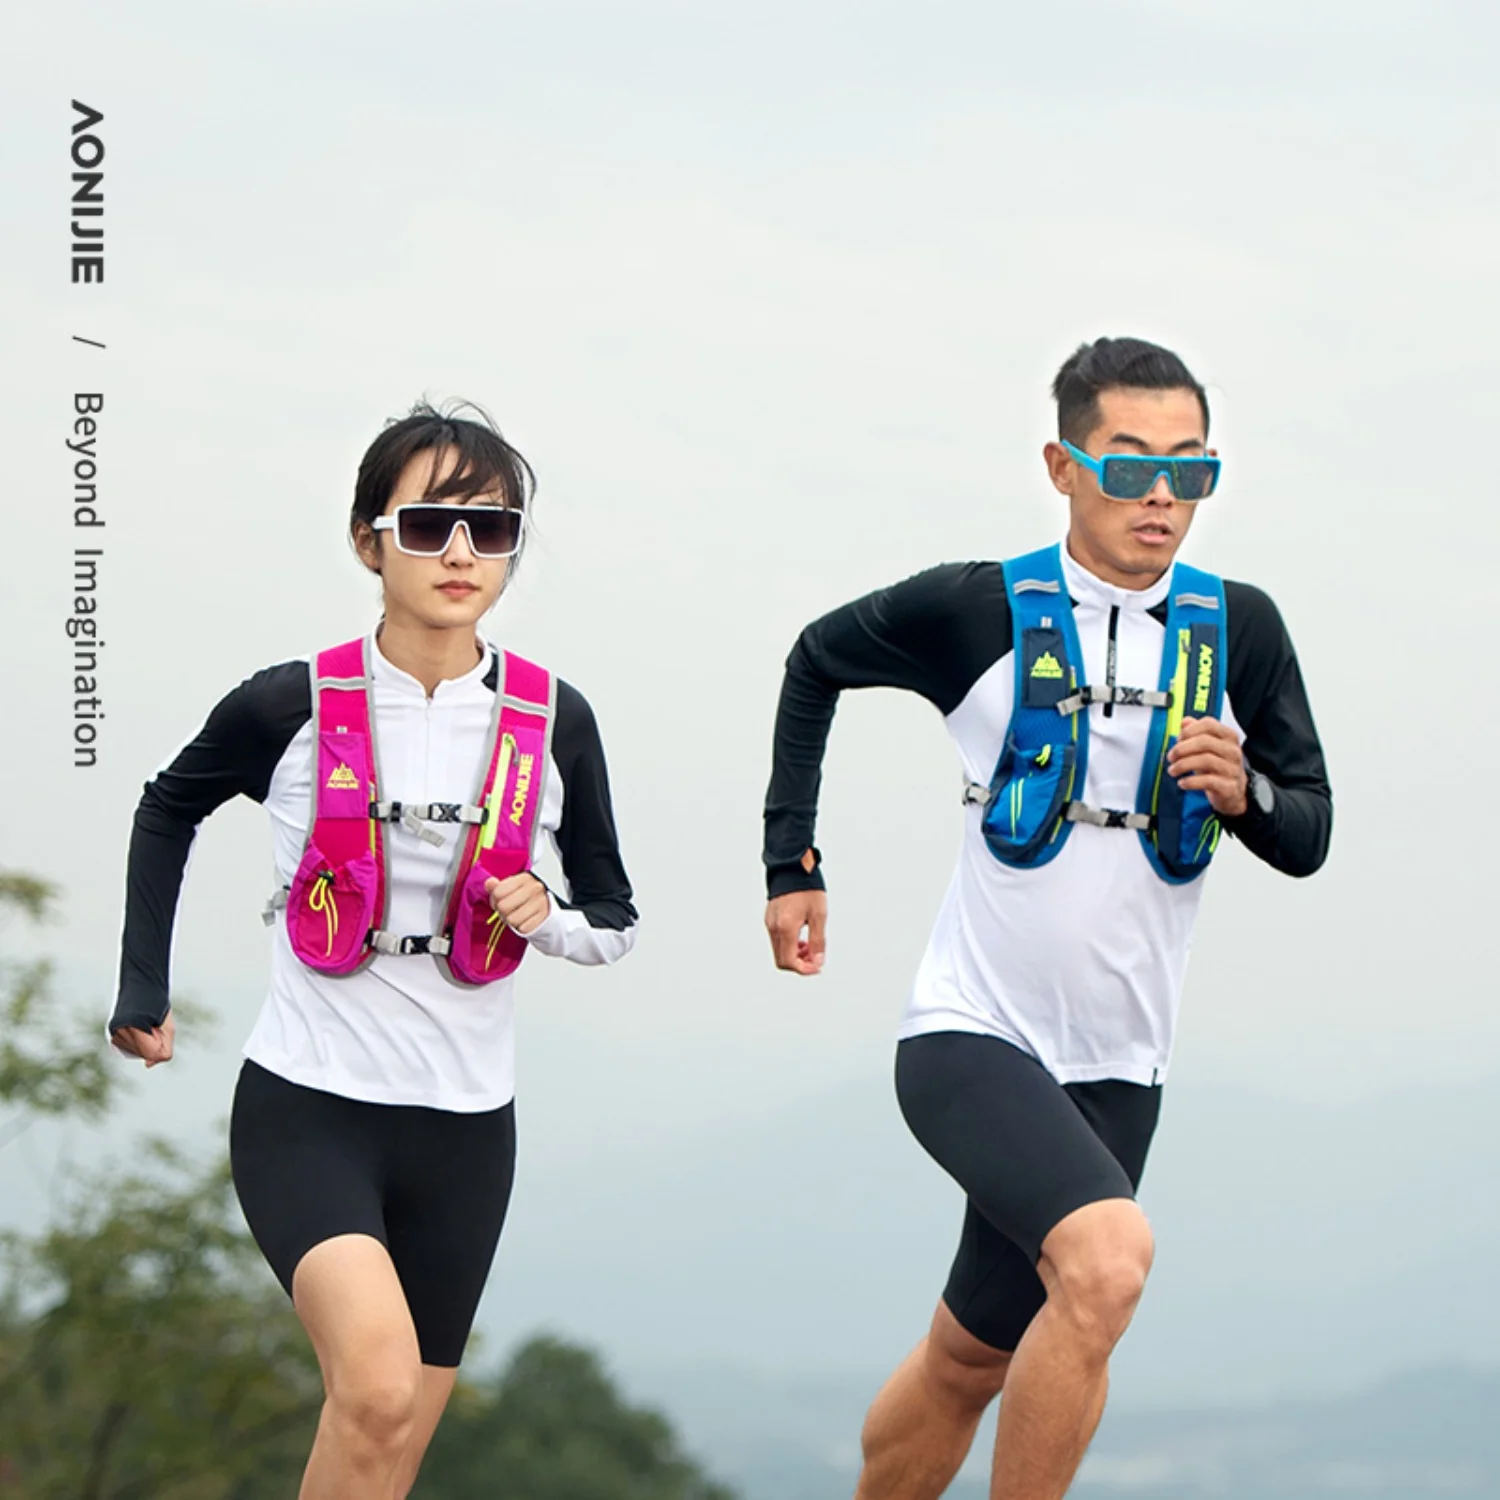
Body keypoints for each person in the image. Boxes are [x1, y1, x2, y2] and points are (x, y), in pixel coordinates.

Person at [761, 337, 1331, 1500]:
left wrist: (1247, 796)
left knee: (971, 1359)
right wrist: (792, 864)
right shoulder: (977, 608)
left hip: (1122, 1065)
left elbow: (1309, 831)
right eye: (1130, 466)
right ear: (1063, 467)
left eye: (1190, 470)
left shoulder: (1244, 630)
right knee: (1109, 1264)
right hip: (971, 1032)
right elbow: (816, 659)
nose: (1162, 496)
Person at [108, 402, 639, 1500]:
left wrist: (547, 918)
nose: (462, 553)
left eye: (493, 530)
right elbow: (166, 809)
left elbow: (616, 918)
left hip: (469, 1130)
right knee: (381, 1391)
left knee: (388, 1449)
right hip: (311, 1107)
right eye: (431, 525)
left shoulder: (554, 719)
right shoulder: (290, 705)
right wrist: (141, 989)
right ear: (369, 542)